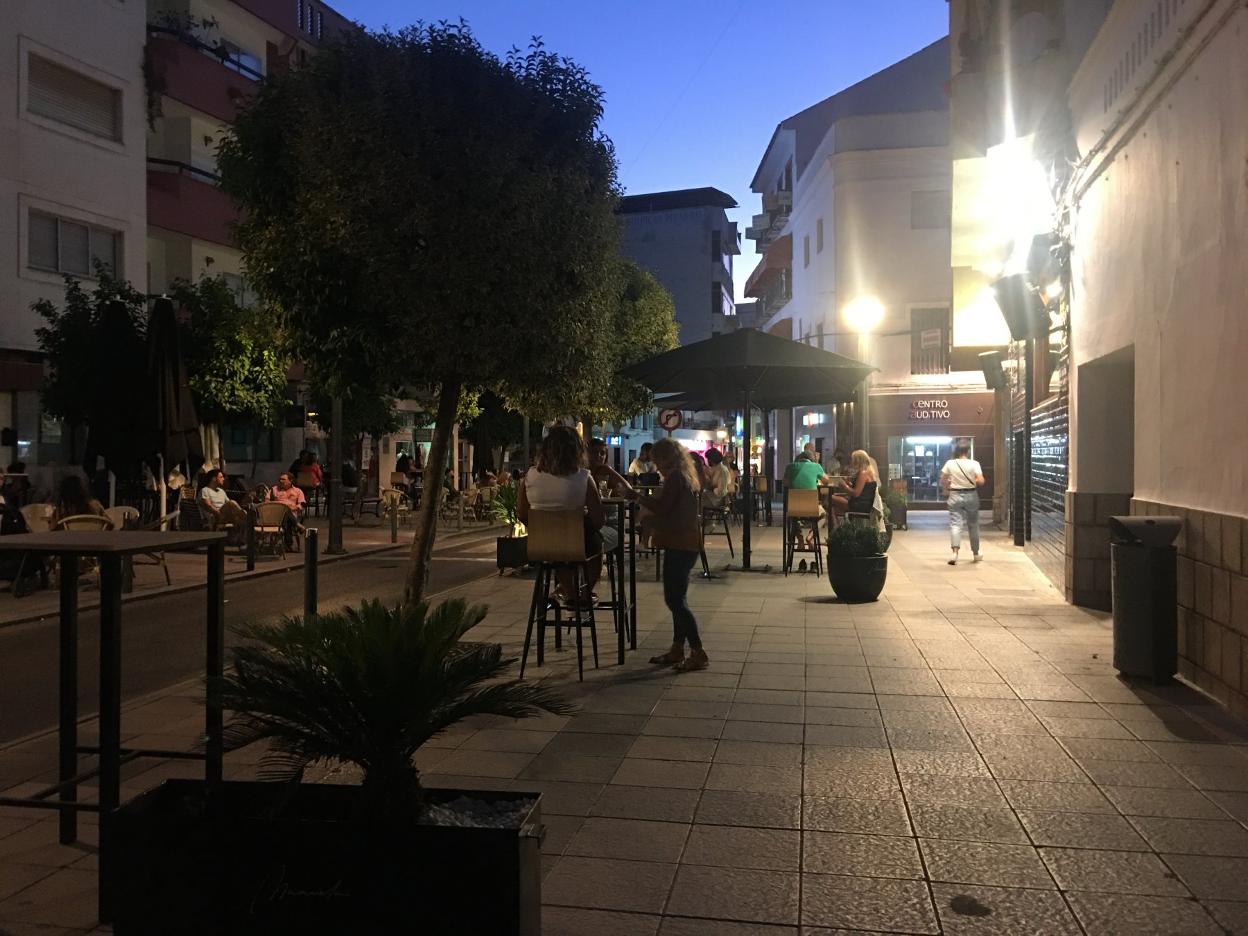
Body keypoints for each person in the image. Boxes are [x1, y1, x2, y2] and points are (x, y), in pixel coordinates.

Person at [517, 427, 617, 605]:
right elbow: (599, 519)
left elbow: (523, 514)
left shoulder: (529, 476)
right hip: (575, 542)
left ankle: (569, 592)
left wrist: (542, 527)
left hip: (540, 544)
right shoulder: (584, 477)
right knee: (595, 543)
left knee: (558, 551)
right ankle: (584, 593)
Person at [633, 438, 708, 672]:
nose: (657, 466)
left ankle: (697, 650)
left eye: (657, 461)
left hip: (679, 542)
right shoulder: (686, 475)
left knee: (674, 600)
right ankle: (677, 648)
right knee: (678, 597)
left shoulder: (675, 476)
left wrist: (637, 498)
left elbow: (664, 508)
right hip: (687, 542)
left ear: (665, 458)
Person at [941, 443, 985, 564]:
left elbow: (943, 479)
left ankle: (954, 554)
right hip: (971, 495)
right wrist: (972, 480)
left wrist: (947, 488)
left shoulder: (950, 463)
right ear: (968, 451)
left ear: (956, 451)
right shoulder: (974, 464)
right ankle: (976, 553)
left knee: (955, 524)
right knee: (973, 524)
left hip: (955, 495)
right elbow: (981, 481)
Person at [830, 449, 880, 520]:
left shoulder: (863, 473)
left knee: (830, 498)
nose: (851, 462)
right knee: (832, 508)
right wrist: (848, 484)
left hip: (859, 505)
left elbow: (856, 493)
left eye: (853, 460)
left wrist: (844, 486)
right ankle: (836, 525)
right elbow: (863, 489)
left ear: (858, 461)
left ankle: (836, 525)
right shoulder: (870, 472)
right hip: (866, 504)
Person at [269, 472, 307, 548]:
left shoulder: (298, 491)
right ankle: (297, 525)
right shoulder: (274, 489)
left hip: (292, 513)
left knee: (286, 512)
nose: (280, 481)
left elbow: (302, 504)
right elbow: (267, 501)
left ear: (290, 480)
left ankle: (288, 543)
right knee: (284, 509)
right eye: (280, 479)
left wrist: (294, 508)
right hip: (276, 514)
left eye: (283, 479)